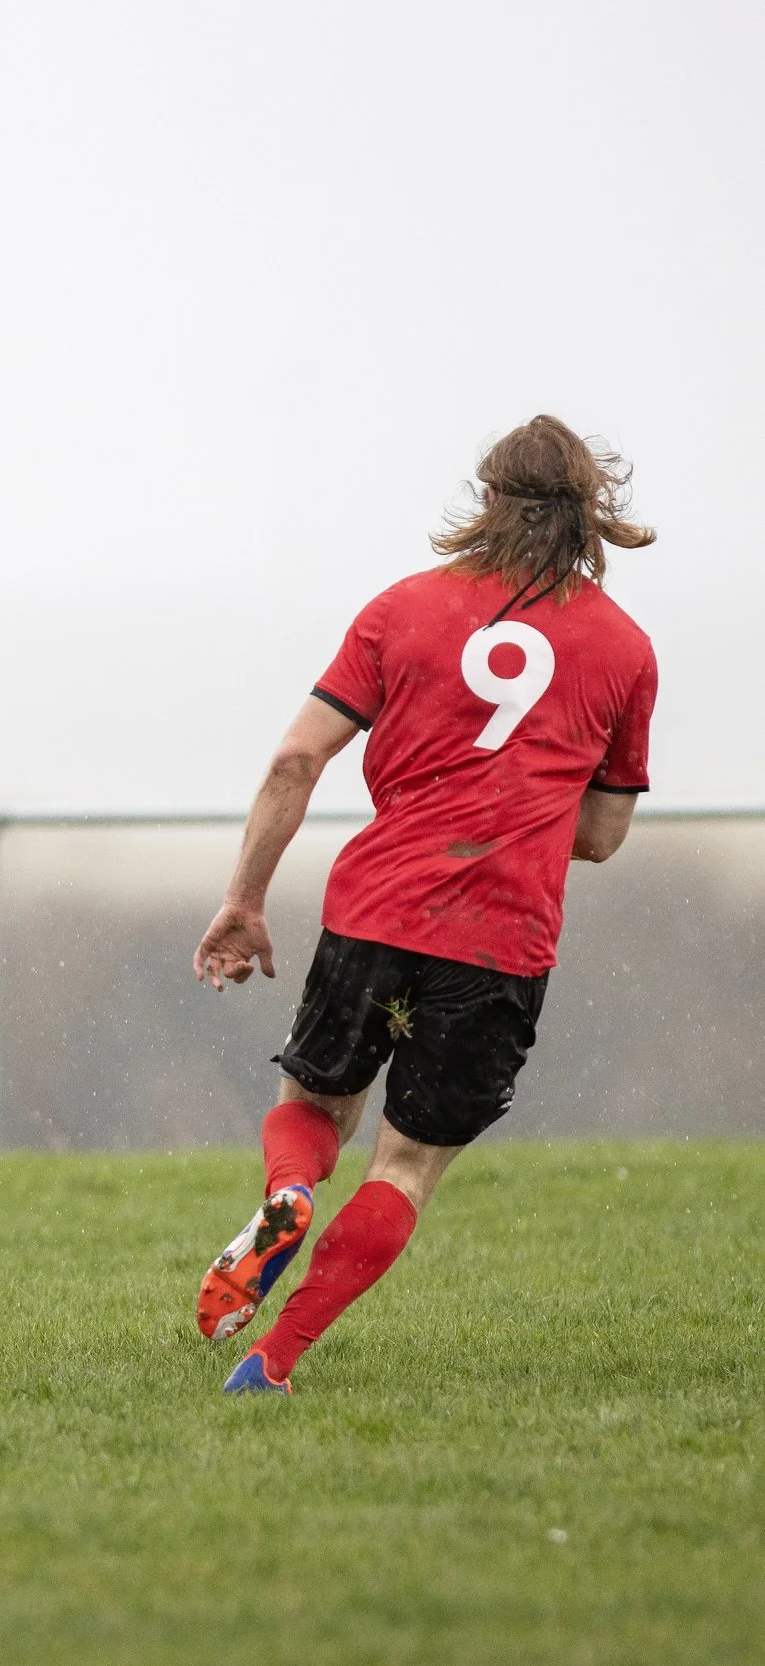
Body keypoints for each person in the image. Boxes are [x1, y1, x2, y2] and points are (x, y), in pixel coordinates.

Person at [191, 415, 658, 1395]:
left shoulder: (401, 610)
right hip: (501, 940)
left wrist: (243, 899)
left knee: (317, 1103)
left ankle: (285, 1193)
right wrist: (526, 791)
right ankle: (272, 1362)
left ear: (485, 503)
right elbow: (602, 837)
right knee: (403, 1167)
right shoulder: (624, 651)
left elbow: (294, 757)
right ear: (589, 518)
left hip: (374, 914)